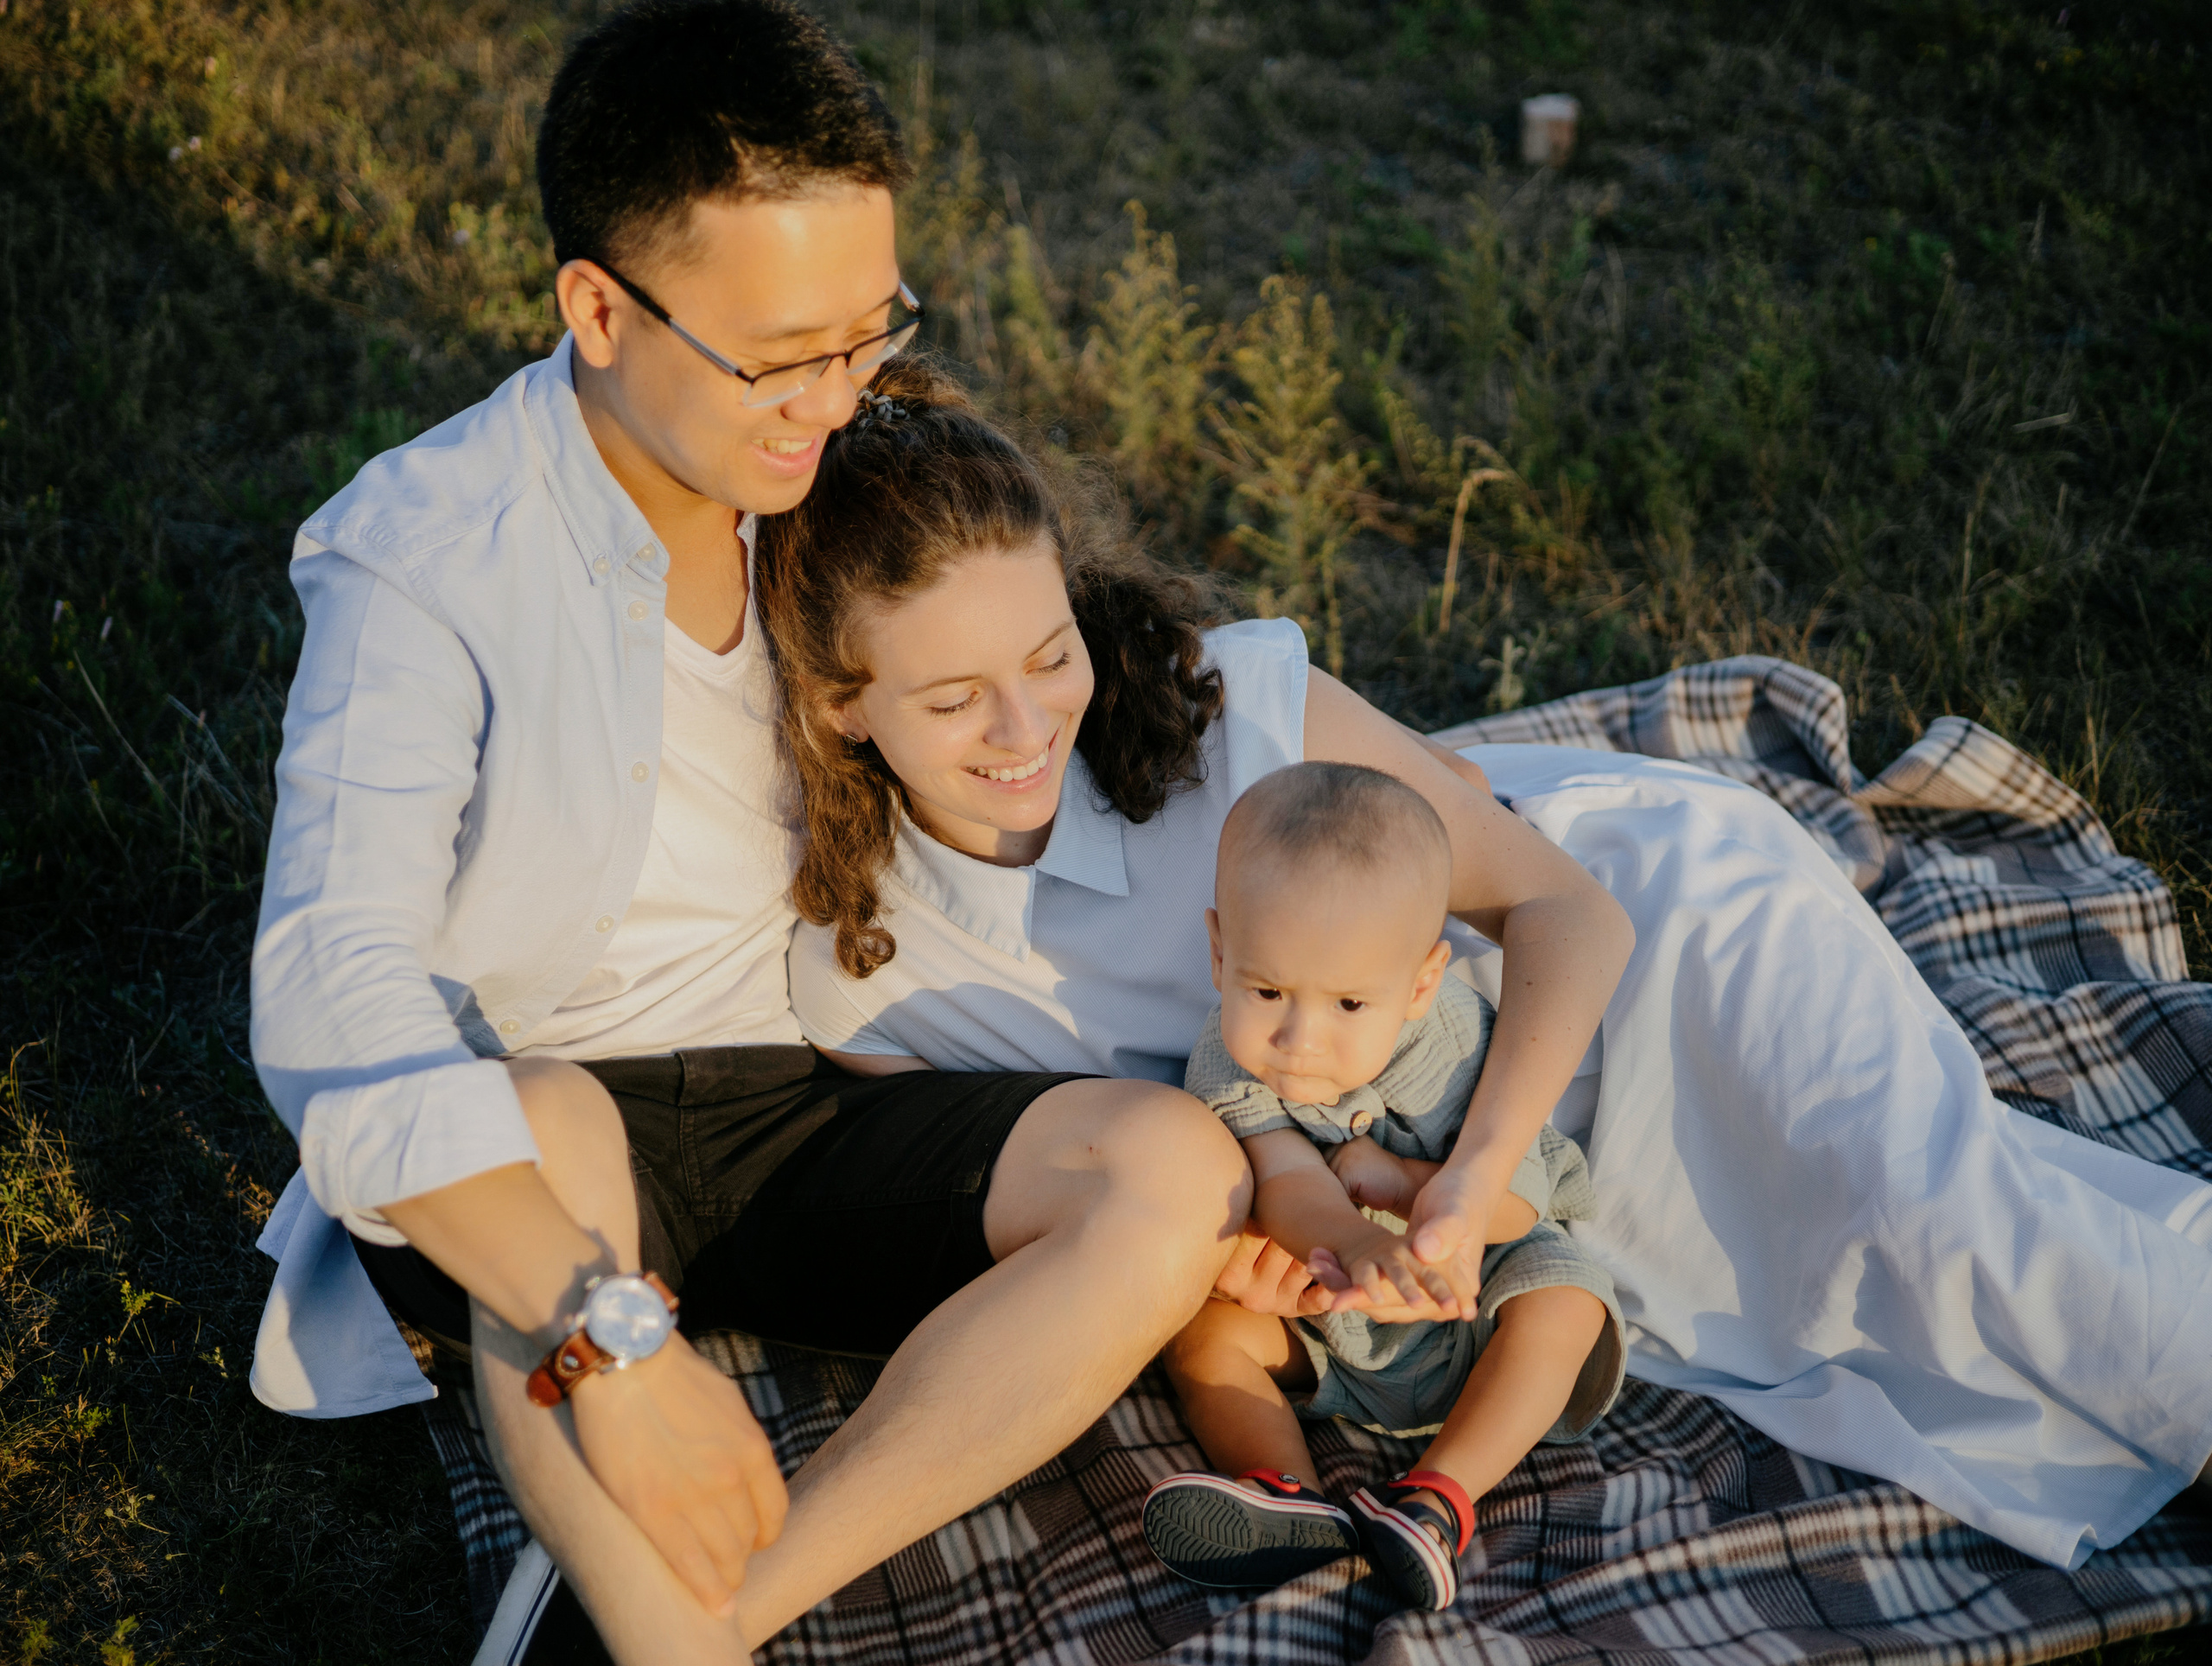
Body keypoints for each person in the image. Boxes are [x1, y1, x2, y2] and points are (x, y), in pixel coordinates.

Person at [245, 5, 1320, 1660]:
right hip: (549, 1137)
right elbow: (330, 990)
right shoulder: (424, 554)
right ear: (598, 308)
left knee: (1172, 1164)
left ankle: (727, 1612)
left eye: (866, 329)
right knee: (545, 1115)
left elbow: (1030, 628)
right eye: (779, 355)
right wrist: (611, 1337)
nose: (834, 397)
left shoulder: (829, 476)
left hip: (813, 1095)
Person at [764, 361, 2212, 1575]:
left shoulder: (1224, 708)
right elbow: (1072, 1214)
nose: (1030, 728)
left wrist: (1470, 1185)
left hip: (1608, 969)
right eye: (955, 698)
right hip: (1364, 1146)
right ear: (841, 708)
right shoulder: (866, 977)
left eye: (1051, 652)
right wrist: (1302, 1232)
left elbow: (1563, 907)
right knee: (1830, 1287)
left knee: (1942, 1226)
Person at [1138, 761, 1626, 1612]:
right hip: (1325, 1323)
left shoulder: (1460, 1046)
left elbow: (1518, 1200)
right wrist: (1360, 1246)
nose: (1299, 1037)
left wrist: (1408, 1188)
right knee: (1206, 1327)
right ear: (1220, 951)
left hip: (1471, 1311)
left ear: (1422, 982)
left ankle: (1436, 1500)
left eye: (1348, 1004)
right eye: (1267, 989)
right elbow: (1286, 1178)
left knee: (1567, 1299)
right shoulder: (1223, 1059)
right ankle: (1287, 1498)